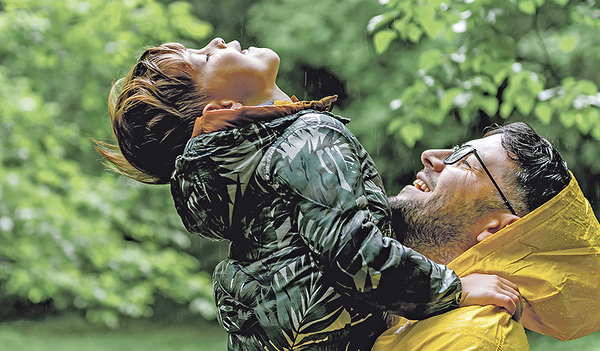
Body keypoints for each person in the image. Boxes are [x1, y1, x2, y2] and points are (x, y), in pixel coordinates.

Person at [96, 37, 520, 350]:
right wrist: (456, 288)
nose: (217, 41)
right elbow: (355, 255)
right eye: (205, 58)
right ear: (222, 110)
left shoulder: (243, 178)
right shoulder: (309, 135)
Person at [373, 122, 600, 350]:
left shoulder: (474, 338)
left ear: (496, 230)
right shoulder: (405, 299)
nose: (430, 156)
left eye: (465, 161)